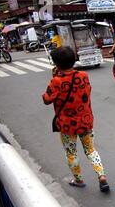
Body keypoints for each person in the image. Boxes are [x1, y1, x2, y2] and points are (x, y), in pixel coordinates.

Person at [42, 46, 110, 193]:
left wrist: (54, 77)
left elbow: (46, 99)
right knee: (91, 150)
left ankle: (78, 179)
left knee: (71, 153)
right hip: (85, 121)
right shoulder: (83, 75)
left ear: (56, 64)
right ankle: (102, 176)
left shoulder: (56, 81)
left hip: (67, 126)